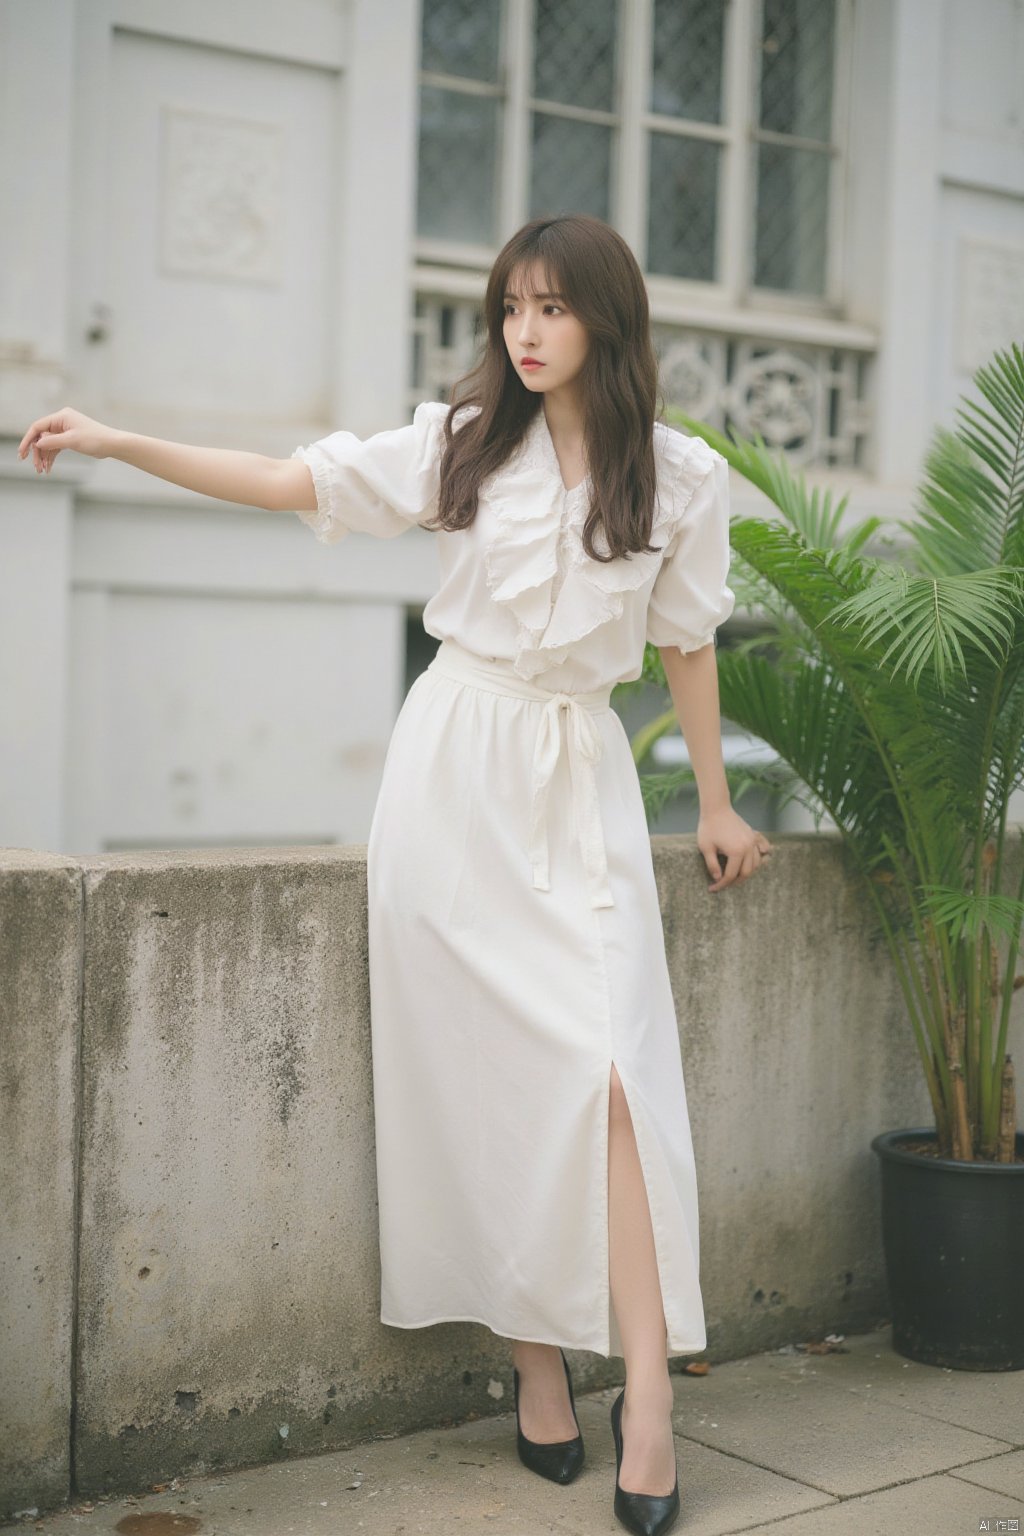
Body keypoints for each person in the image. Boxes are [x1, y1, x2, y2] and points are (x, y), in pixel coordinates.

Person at [19, 212, 771, 1536]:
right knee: (486, 1086)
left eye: (550, 308)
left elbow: (689, 646)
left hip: (576, 781)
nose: (525, 334)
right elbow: (281, 481)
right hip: (452, 780)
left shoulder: (681, 480)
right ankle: (537, 1365)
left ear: (607, 319)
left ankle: (647, 1395)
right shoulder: (457, 448)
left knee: (613, 1080)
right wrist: (118, 440)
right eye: (510, 310)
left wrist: (713, 799)